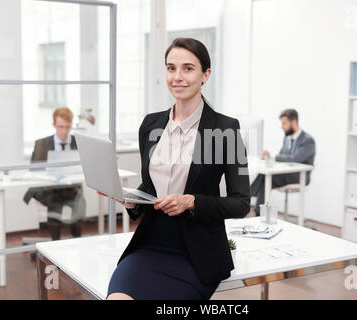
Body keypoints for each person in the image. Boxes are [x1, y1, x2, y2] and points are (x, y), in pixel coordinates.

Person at [103, 38, 250, 300]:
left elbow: (241, 204)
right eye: (171, 68)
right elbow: (149, 188)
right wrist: (131, 201)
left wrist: (191, 201)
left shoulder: (225, 129)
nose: (178, 77)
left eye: (188, 68)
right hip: (150, 244)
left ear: (206, 74)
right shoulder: (151, 124)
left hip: (197, 254)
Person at [23, 106, 84, 240]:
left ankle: (77, 239)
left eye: (67, 127)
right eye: (60, 126)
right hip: (48, 188)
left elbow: (84, 167)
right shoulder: (41, 144)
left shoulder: (78, 143)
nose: (64, 131)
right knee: (55, 201)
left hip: (70, 187)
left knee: (80, 200)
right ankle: (55, 243)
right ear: (54, 125)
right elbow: (34, 171)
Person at [250, 109, 315, 216]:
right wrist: (268, 158)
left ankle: (243, 198)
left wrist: (271, 156)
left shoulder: (307, 140)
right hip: (286, 173)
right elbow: (282, 155)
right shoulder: (287, 138)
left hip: (299, 175)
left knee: (264, 177)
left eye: (284, 123)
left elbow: (295, 158)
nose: (282, 126)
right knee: (264, 178)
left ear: (293, 122)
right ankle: (258, 213)